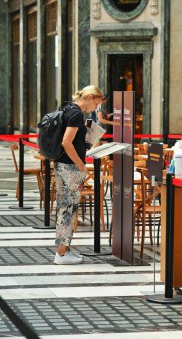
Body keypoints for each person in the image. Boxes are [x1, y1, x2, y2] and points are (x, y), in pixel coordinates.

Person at [53, 85, 104, 265]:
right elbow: (67, 142)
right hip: (70, 168)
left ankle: (64, 249)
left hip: (62, 165)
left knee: (66, 208)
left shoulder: (68, 108)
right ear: (90, 97)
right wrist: (80, 163)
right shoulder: (75, 114)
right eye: (96, 103)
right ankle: (61, 253)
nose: (96, 108)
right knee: (68, 209)